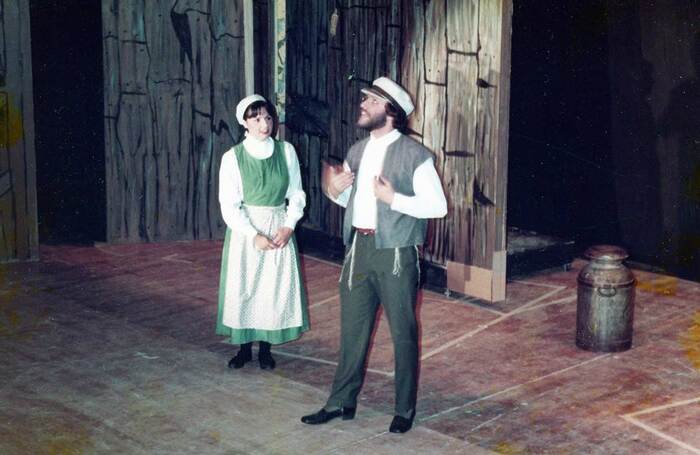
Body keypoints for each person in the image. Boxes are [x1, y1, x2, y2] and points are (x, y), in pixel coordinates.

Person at [301, 77, 447, 433]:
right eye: (364, 98)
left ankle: (404, 409)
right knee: (352, 331)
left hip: (396, 252)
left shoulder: (417, 156)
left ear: (390, 110)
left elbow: (439, 207)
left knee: (403, 333)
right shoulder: (357, 150)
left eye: (370, 99)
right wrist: (333, 190)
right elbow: (351, 200)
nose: (362, 103)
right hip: (358, 250)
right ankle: (341, 402)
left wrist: (394, 199)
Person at [216, 94, 309, 370]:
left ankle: (266, 348)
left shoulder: (286, 151)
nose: (263, 124)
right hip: (248, 230)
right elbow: (229, 204)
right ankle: (244, 348)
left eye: (267, 117)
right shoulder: (233, 158)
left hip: (278, 226)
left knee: (273, 289)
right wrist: (251, 233)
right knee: (246, 287)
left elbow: (297, 193)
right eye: (256, 118)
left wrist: (289, 225)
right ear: (245, 123)